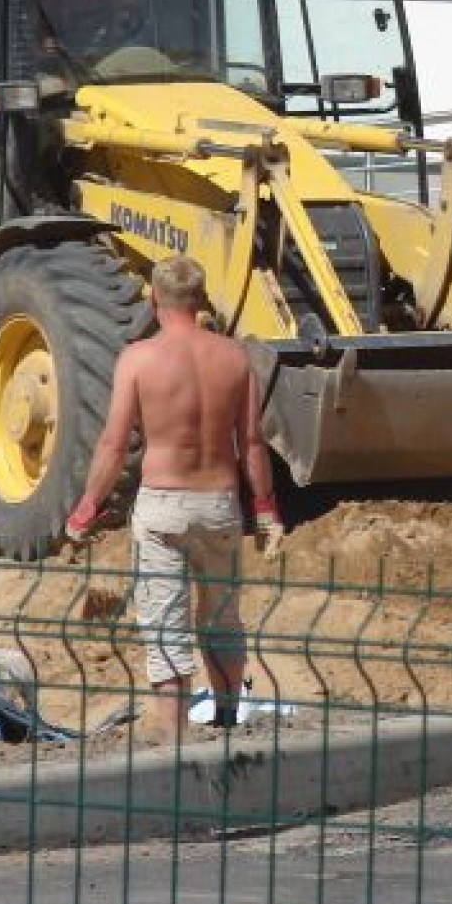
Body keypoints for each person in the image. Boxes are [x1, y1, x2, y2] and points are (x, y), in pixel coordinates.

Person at [62, 256, 284, 740]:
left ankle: (174, 733)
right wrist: (265, 509)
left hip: (163, 505)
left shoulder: (138, 360)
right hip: (220, 503)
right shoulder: (234, 357)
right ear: (201, 300)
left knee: (167, 624)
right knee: (222, 618)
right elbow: (251, 442)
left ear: (154, 298)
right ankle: (228, 720)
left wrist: (84, 511)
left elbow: (114, 445)